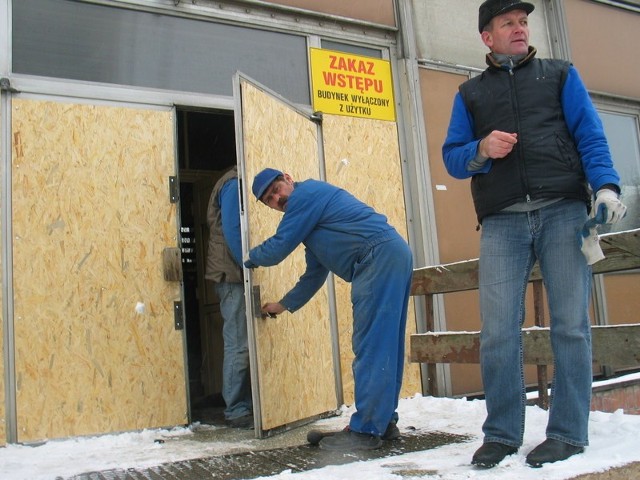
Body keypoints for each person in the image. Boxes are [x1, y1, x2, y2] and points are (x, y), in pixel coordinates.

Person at [442, 0, 627, 469]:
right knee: (498, 332)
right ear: (487, 36)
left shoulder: (560, 74)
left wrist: (605, 186)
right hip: (502, 220)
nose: (520, 29)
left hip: (564, 212)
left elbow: (590, 134)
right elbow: (452, 158)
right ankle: (502, 434)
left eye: (524, 21)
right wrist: (481, 149)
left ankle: (567, 431)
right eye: (508, 23)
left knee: (570, 326)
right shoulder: (470, 95)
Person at [243, 168, 413, 451]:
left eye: (276, 189)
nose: (277, 198)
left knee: (371, 345)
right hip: (391, 254)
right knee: (384, 345)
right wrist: (283, 305)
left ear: (288, 178)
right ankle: (383, 423)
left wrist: (248, 258)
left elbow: (279, 247)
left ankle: (365, 431)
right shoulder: (312, 220)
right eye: (269, 199)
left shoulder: (305, 196)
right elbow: (314, 274)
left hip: (375, 258)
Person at [205, 166, 253, 429]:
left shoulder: (230, 181)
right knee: (239, 343)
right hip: (231, 274)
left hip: (230, 272)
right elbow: (234, 232)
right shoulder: (233, 184)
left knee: (241, 342)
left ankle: (243, 403)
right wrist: (249, 264)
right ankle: (236, 409)